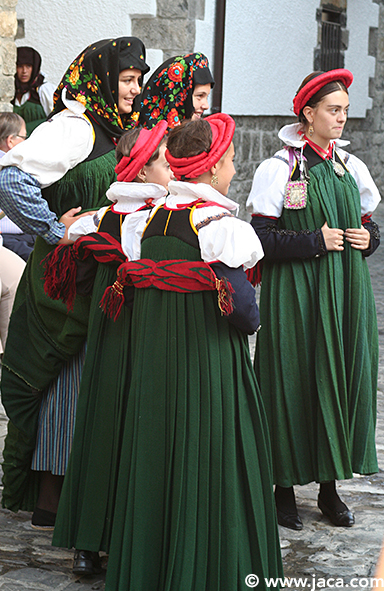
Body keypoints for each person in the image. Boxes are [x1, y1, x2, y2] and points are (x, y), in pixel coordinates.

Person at [102, 114, 282, 590]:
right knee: (214, 457)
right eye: (229, 158)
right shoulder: (220, 225)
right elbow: (245, 311)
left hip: (155, 362)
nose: (233, 165)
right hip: (207, 363)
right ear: (214, 166)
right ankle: (212, 567)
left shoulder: (148, 219)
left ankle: (154, 567)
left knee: (158, 458)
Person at [0, 37, 150, 530]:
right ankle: (51, 497)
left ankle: (77, 495)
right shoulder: (75, 127)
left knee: (88, 381)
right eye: (126, 80)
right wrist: (52, 228)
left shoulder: (119, 129)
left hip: (102, 276)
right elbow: (9, 177)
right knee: (64, 378)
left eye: (137, 80)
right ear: (103, 79)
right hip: (66, 280)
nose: (133, 89)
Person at [246, 69, 380, 531]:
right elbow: (260, 240)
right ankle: (283, 490)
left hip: (345, 291)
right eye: (333, 110)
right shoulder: (278, 168)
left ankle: (328, 489)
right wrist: (314, 242)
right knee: (292, 380)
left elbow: (369, 223)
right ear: (308, 114)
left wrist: (370, 237)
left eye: (344, 109)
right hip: (296, 294)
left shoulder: (350, 166)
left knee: (340, 378)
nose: (342, 118)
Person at [42, 120, 172, 574]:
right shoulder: (138, 217)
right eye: (162, 160)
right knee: (108, 427)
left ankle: (101, 538)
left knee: (113, 427)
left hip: (133, 335)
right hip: (125, 333)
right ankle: (94, 537)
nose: (170, 167)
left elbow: (69, 239)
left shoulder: (106, 216)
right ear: (141, 170)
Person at [139, 52, 214, 129]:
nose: (206, 106)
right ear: (177, 95)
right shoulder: (147, 138)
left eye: (206, 97)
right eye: (199, 96)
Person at [0, 112, 35, 260]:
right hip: (9, 239)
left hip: (23, 236)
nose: (26, 142)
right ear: (10, 141)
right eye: (24, 137)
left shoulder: (15, 164)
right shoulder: (9, 168)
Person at [12, 46, 56, 134]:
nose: (24, 71)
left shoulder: (43, 89)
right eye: (20, 66)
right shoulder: (12, 91)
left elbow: (57, 119)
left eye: (28, 66)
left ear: (35, 67)